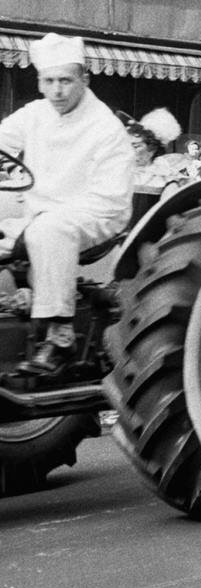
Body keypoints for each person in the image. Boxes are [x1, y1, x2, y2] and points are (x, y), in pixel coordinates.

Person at [0, 34, 135, 382]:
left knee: (50, 229)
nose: (57, 90)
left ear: (84, 79)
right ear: (40, 81)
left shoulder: (105, 127)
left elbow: (111, 196)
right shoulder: (35, 114)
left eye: (65, 81)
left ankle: (60, 338)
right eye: (49, 81)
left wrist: (47, 218)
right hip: (41, 212)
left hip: (97, 211)